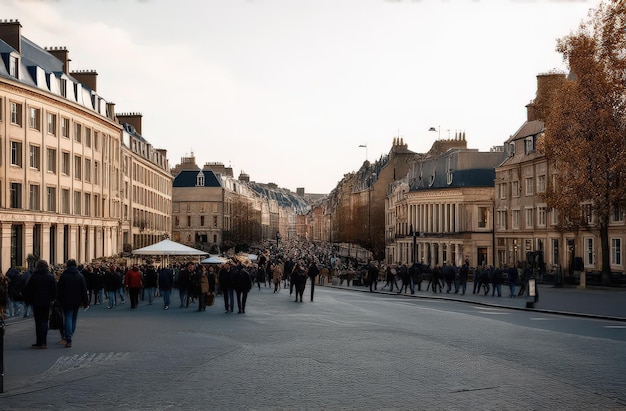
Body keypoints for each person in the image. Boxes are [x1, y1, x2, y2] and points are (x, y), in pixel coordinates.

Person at [24, 260, 57, 349]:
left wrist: (28, 300)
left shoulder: (34, 277)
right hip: (47, 302)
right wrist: (53, 299)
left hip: (36, 302)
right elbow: (54, 290)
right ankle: (44, 342)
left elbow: (28, 290)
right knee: (45, 321)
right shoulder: (50, 276)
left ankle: (39, 342)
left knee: (38, 322)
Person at [57, 259, 89, 348]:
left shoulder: (64, 276)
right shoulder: (80, 276)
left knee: (68, 318)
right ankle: (70, 334)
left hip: (66, 300)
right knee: (74, 318)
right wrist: (85, 302)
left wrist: (58, 300)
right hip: (77, 301)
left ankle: (68, 337)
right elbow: (84, 290)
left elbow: (59, 289)